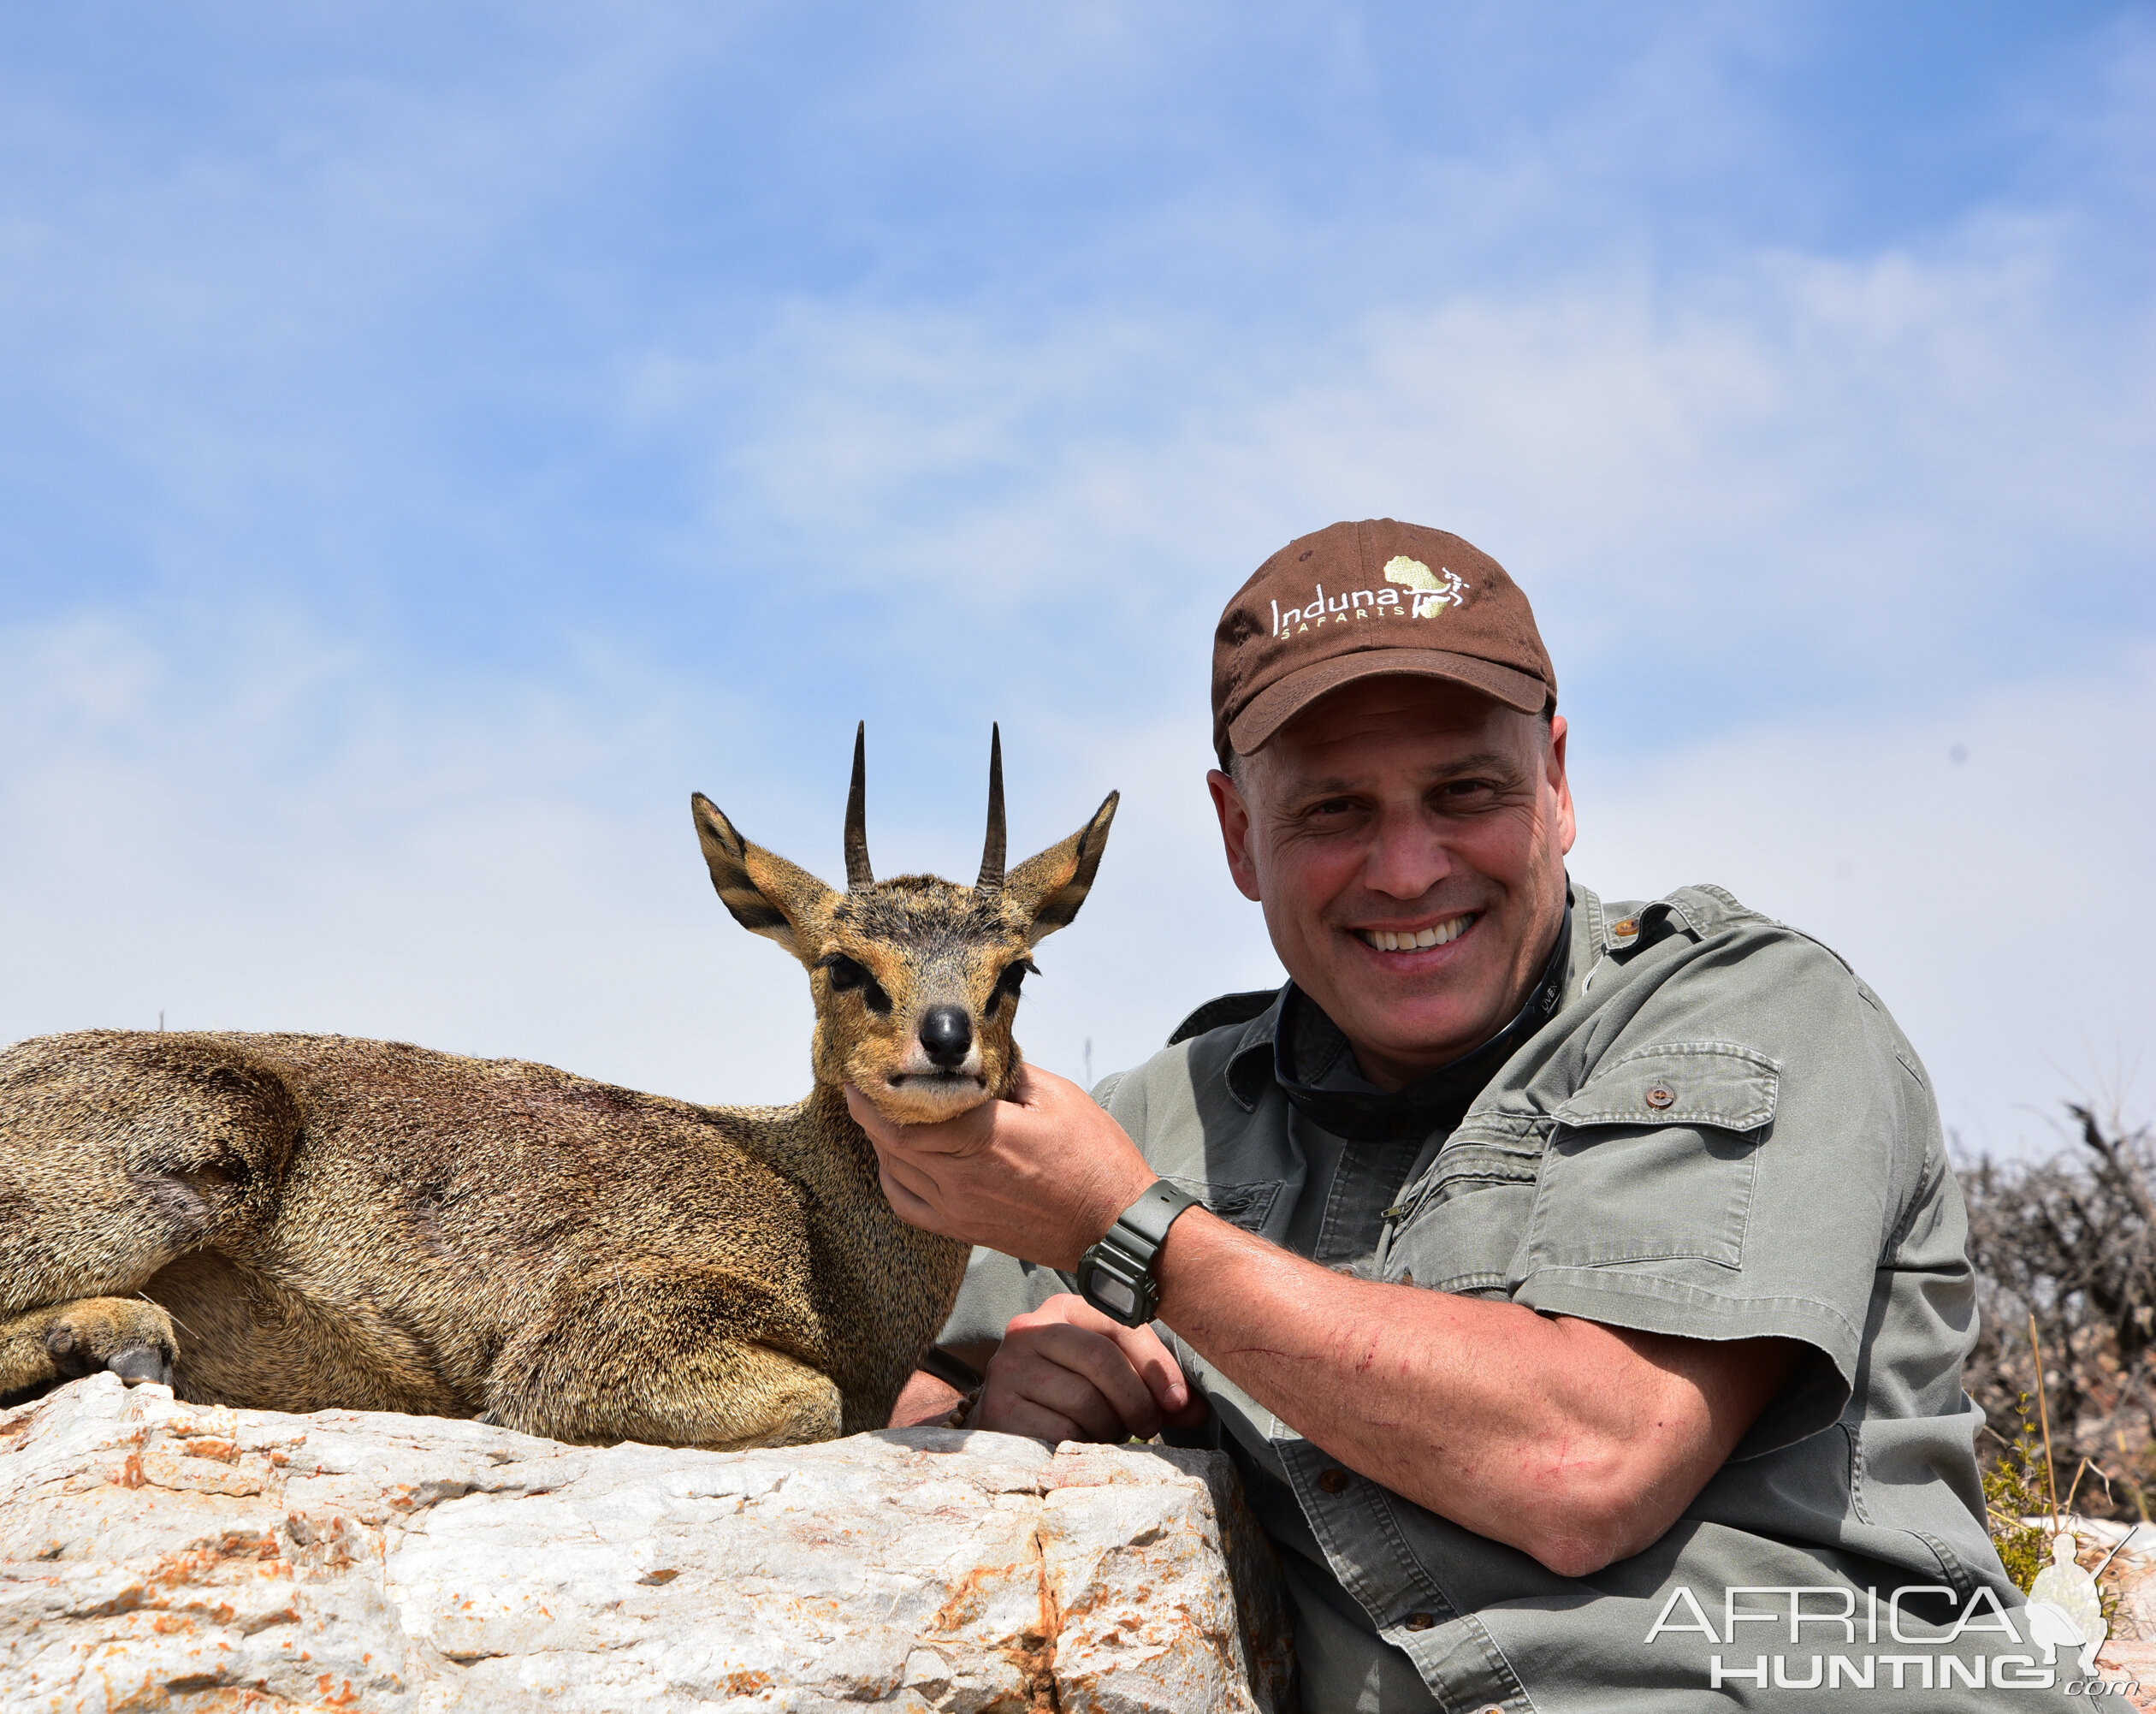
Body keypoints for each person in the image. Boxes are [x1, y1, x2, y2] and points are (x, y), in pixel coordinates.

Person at [863, 519, 2059, 1710]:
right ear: (1239, 835)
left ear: (1557, 780)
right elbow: (845, 1370)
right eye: (1334, 812)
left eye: (1466, 791)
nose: (1405, 869)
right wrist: (986, 1410)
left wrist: (1139, 1238)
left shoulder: (1757, 1013)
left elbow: (1590, 1461)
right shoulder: (1148, 1117)